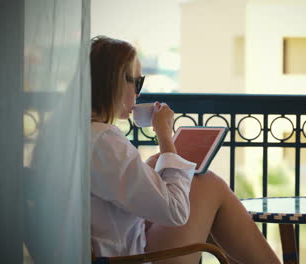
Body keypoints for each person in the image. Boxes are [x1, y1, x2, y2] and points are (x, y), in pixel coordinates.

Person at [89, 35, 281, 264]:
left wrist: (152, 166)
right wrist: (164, 137)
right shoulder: (104, 141)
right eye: (137, 83)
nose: (139, 93)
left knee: (187, 180)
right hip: (124, 258)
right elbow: (175, 211)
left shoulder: (79, 134)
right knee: (209, 184)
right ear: (116, 83)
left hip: (109, 249)